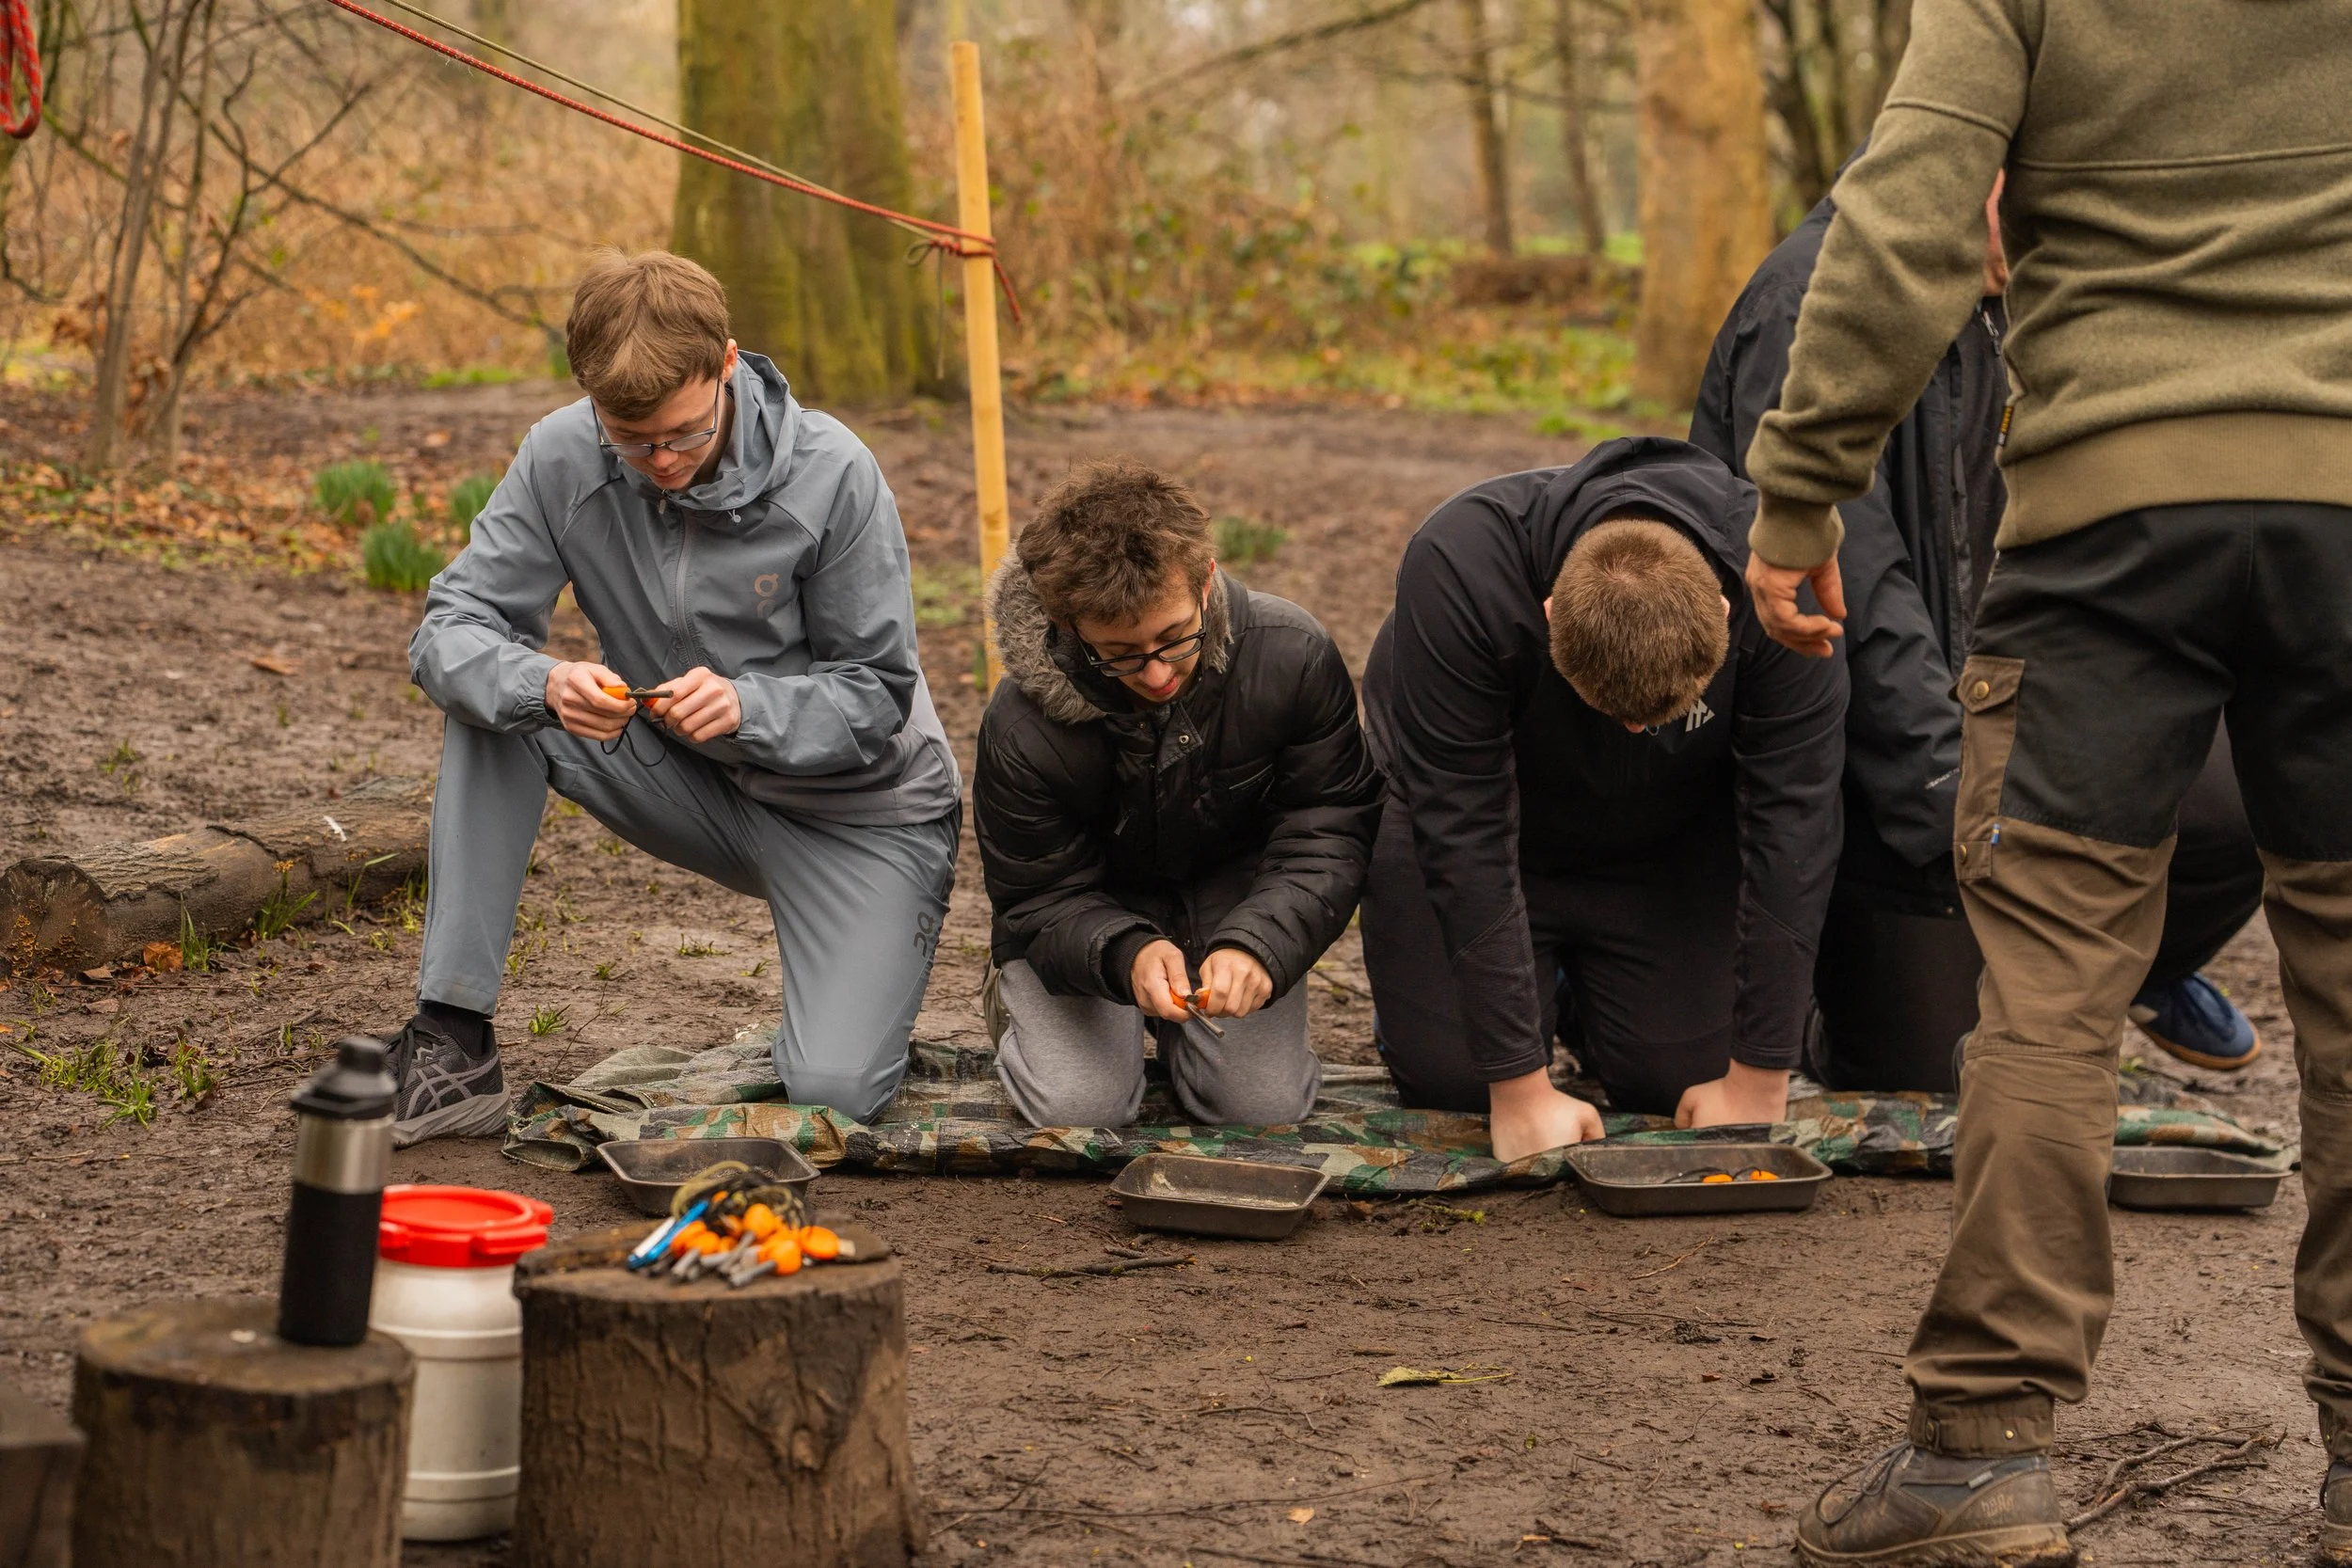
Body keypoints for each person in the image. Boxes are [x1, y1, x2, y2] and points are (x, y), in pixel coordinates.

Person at [1737, 4, 2352, 1560]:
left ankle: (1980, 1457)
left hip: (2104, 540)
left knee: (2055, 994)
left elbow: (1907, 216)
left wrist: (1802, 491)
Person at [1692, 178, 2265, 1092]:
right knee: (1939, 1070)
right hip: (1866, 771)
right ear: (1966, 168)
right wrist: (1962, 806)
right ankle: (1802, 997)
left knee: (2254, 783)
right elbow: (1856, 613)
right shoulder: (1814, 304)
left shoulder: (2026, 290)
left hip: (2011, 713)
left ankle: (2142, 964)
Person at [386, 249, 961, 1146]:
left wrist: (748, 707)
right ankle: (453, 1039)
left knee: (831, 1094)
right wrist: (544, 680)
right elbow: (448, 632)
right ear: (589, 400)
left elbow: (877, 693)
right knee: (499, 701)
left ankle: (874, 986)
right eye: (631, 437)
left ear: (728, 364)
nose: (659, 460)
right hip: (689, 781)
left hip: (860, 813)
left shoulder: (835, 473)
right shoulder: (562, 456)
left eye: (685, 433)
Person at [1359, 437, 1846, 1163]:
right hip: (1492, 829)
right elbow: (1463, 827)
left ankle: (1591, 1002)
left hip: (1666, 843)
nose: (1639, 730)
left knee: (1680, 1080)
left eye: (1660, 716)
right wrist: (1519, 1085)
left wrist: (1758, 1079)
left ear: (1724, 609)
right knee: (1458, 1082)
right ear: (1551, 613)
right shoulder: (1458, 564)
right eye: (1617, 714)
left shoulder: (1775, 579)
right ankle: (1535, 996)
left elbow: (1794, 821)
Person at [972, 461, 1381, 1129]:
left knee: (1261, 1107)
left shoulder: (1293, 654)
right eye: (1121, 653)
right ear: (1068, 624)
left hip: (1238, 908)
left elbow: (1328, 829)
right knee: (1079, 1106)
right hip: (1085, 917)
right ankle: (1018, 999)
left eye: (1173, 638)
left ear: (1206, 579)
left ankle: (1186, 1035)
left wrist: (1258, 943)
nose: (1157, 672)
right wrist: (1124, 950)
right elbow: (1037, 895)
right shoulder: (1020, 722)